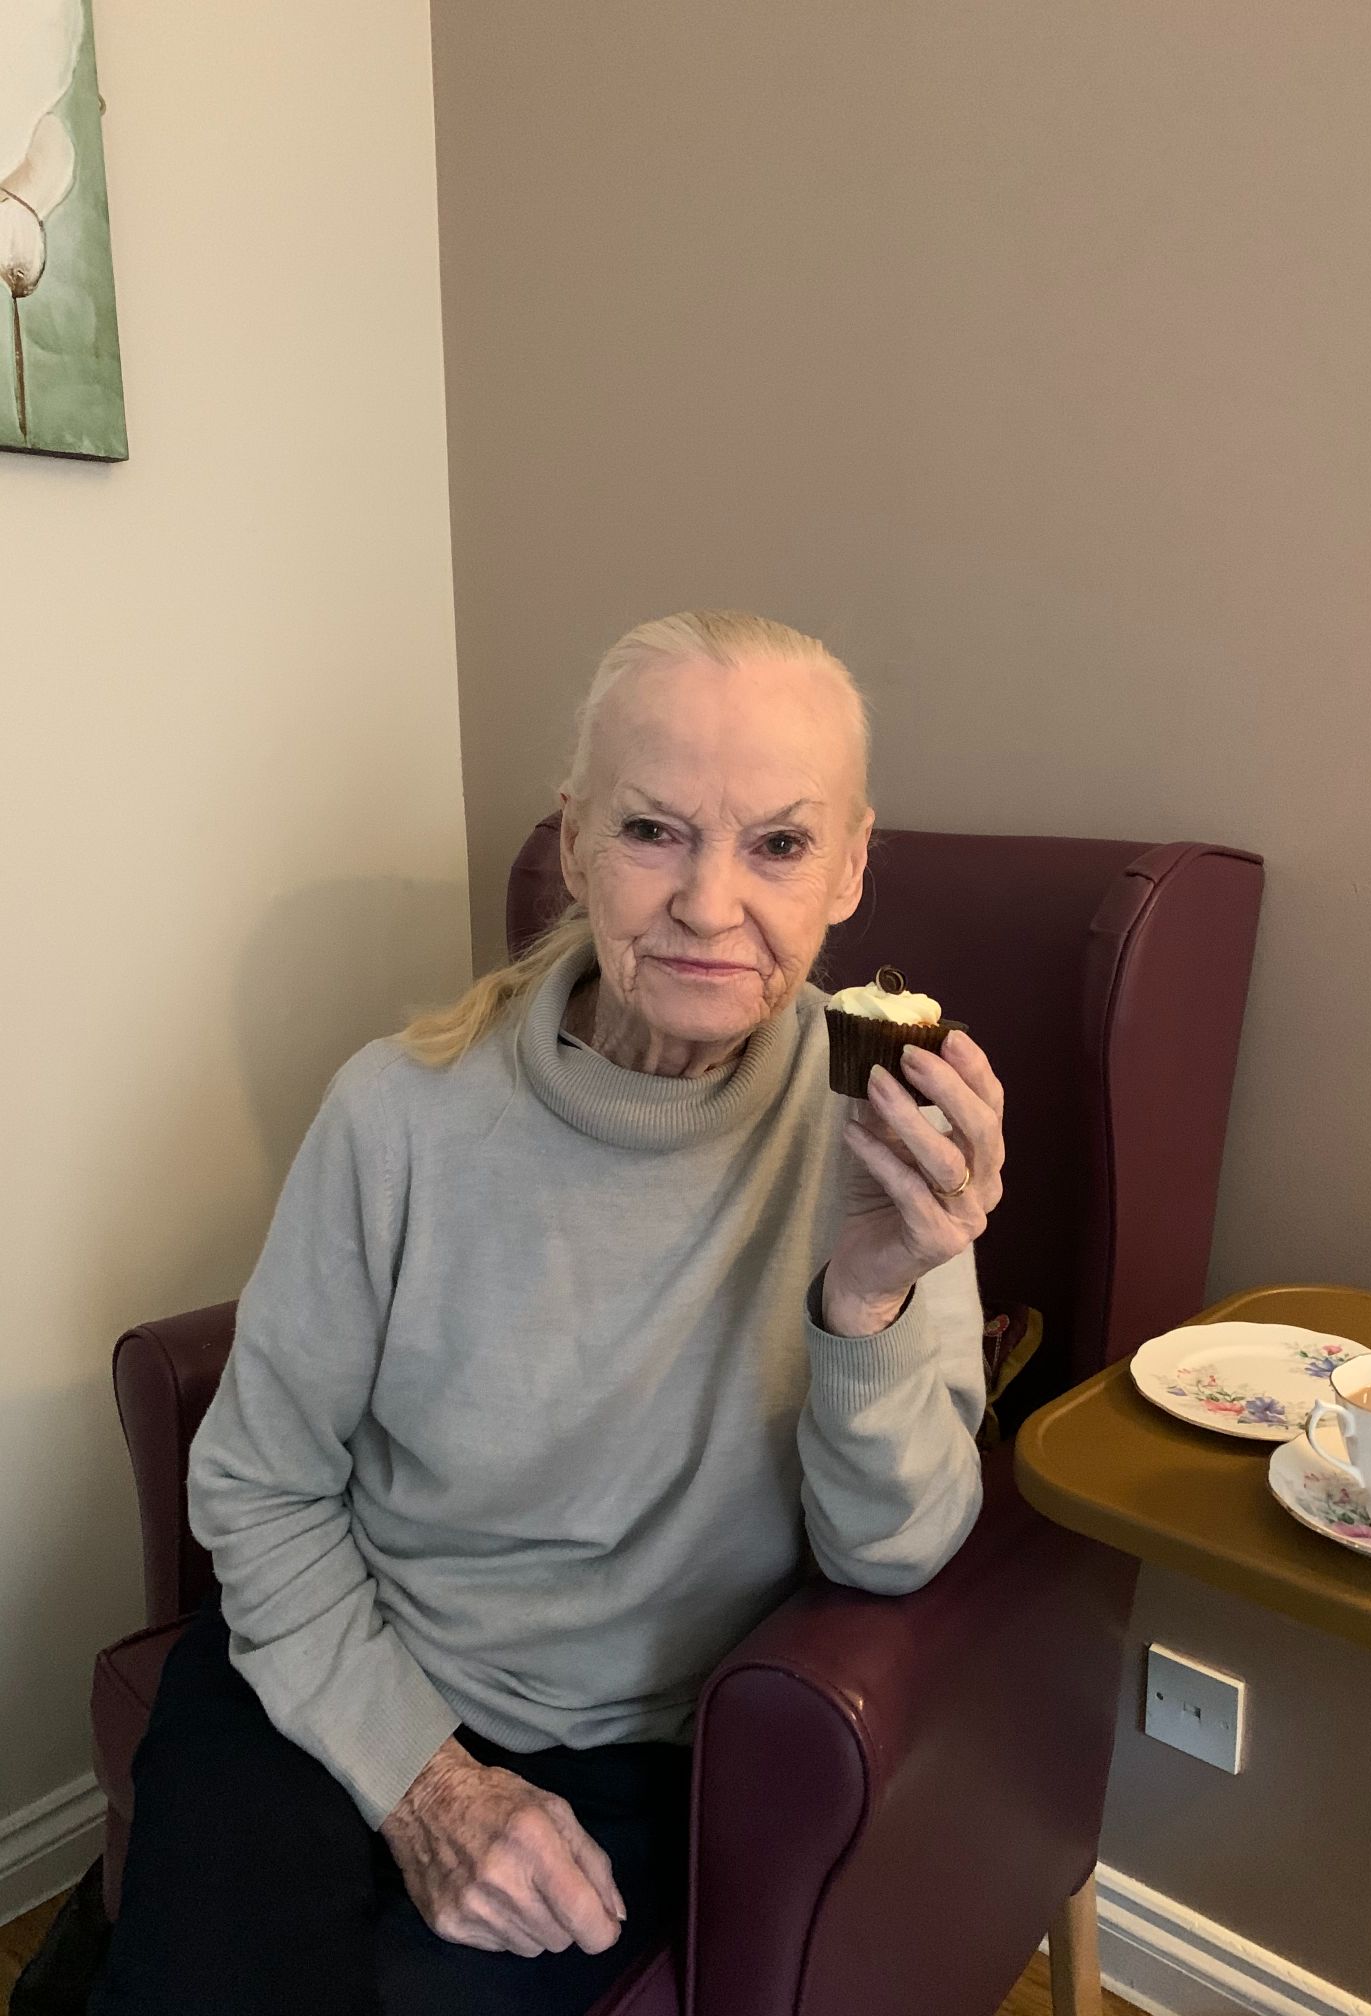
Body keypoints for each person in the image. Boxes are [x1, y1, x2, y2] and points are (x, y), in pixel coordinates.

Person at [91, 610, 1005, 2016]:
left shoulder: (880, 1135)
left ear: (851, 866)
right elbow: (260, 1487)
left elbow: (894, 1560)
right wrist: (426, 1786)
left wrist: (868, 1302)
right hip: (340, 1662)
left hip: (632, 1750)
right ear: (574, 842)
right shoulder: (397, 1115)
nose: (710, 904)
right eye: (651, 832)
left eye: (778, 843)